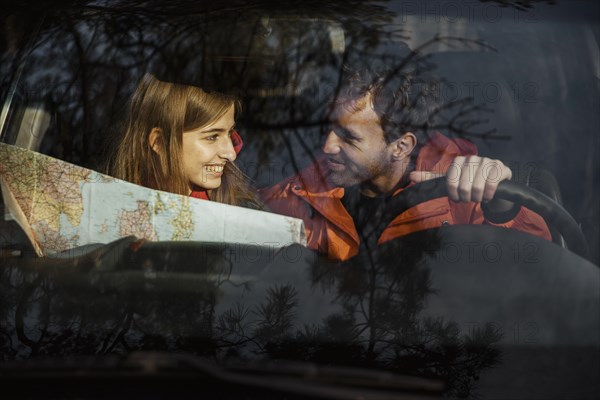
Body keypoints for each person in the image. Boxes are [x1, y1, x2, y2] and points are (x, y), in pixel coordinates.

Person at [261, 66, 551, 261]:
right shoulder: (303, 191)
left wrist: (502, 208)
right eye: (329, 128)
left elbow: (537, 267)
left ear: (401, 146)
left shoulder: (464, 191)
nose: (327, 146)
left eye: (348, 137)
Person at [109, 73, 263, 209]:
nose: (231, 153)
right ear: (159, 142)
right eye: (212, 137)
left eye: (230, 133)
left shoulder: (243, 212)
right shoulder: (111, 208)